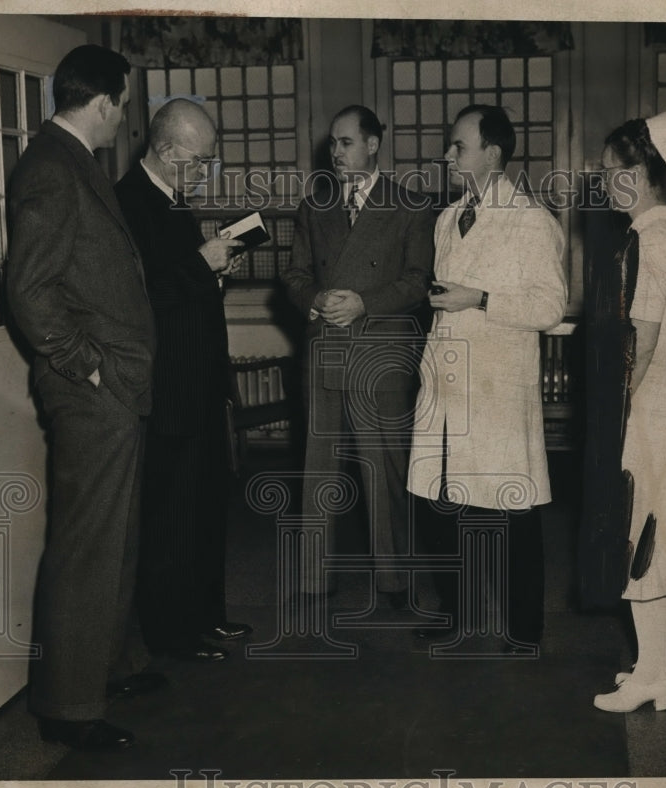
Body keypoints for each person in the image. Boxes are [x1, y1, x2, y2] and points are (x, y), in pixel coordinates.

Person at [6, 45, 158, 751]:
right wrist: (86, 367)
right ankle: (68, 705)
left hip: (116, 386)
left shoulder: (70, 163)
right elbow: (28, 293)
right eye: (124, 104)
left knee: (117, 536)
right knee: (86, 546)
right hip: (91, 390)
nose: (124, 118)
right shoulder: (50, 167)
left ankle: (111, 668)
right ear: (103, 102)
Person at [407, 105, 568, 649]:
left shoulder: (532, 220)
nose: (448, 156)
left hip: (498, 386)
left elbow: (549, 306)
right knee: (441, 502)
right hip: (446, 382)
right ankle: (459, 615)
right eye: (450, 146)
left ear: (493, 154)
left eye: (459, 147)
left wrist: (479, 298)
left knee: (509, 508)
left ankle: (525, 629)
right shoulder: (448, 219)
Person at [114, 98, 252, 662]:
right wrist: (202, 264)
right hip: (167, 389)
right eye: (199, 161)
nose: (205, 173)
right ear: (167, 151)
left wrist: (212, 270)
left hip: (198, 385)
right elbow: (138, 302)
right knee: (171, 519)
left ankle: (206, 618)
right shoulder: (127, 205)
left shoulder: (173, 199)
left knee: (205, 509)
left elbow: (181, 285)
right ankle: (173, 637)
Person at [279, 105, 435, 606]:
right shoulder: (315, 205)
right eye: (333, 143)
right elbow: (295, 276)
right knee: (317, 471)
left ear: (373, 145)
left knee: (383, 473)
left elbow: (418, 282)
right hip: (325, 350)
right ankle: (312, 579)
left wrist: (365, 303)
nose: (336, 152)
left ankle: (393, 579)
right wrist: (315, 300)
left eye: (346, 142)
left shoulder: (410, 205)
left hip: (380, 357)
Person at [590, 108, 666, 712]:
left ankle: (653, 678)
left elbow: (635, 346)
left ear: (638, 173)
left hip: (648, 403)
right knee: (658, 540)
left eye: (611, 170)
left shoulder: (648, 242)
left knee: (641, 536)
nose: (603, 180)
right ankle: (660, 670)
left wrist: (613, 419)